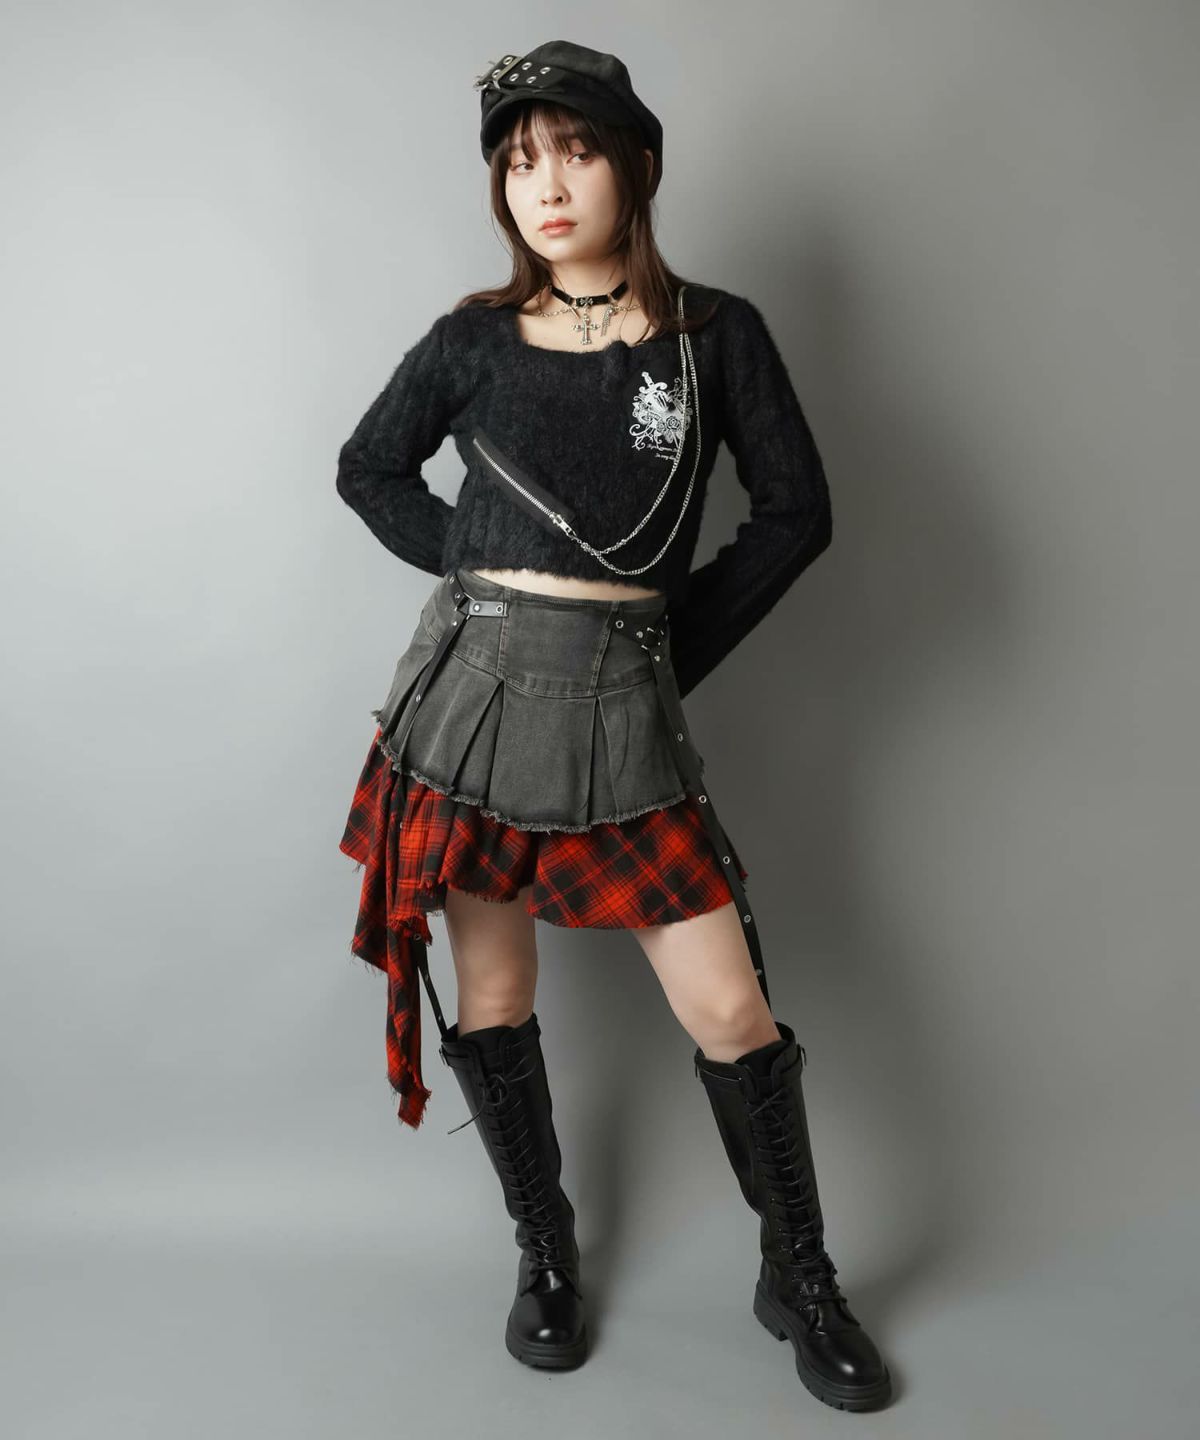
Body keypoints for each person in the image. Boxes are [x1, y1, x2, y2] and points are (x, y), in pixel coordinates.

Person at [334, 39, 893, 1412]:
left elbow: (796, 513)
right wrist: (484, 575)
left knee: (730, 1006)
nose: (546, 187)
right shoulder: (471, 339)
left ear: (636, 164)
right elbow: (368, 468)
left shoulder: (715, 335)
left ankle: (800, 1275)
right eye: (520, 163)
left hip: (623, 707)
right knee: (496, 993)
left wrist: (662, 656)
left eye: (575, 152)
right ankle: (546, 1253)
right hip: (471, 709)